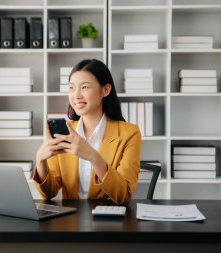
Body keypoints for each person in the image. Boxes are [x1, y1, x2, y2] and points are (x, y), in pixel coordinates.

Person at [33, 59, 141, 205]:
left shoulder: (129, 133)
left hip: (108, 222)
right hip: (71, 221)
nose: (76, 95)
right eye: (71, 88)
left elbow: (123, 195)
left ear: (106, 90)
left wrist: (92, 156)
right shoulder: (65, 131)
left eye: (84, 87)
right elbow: (49, 192)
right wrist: (41, 160)